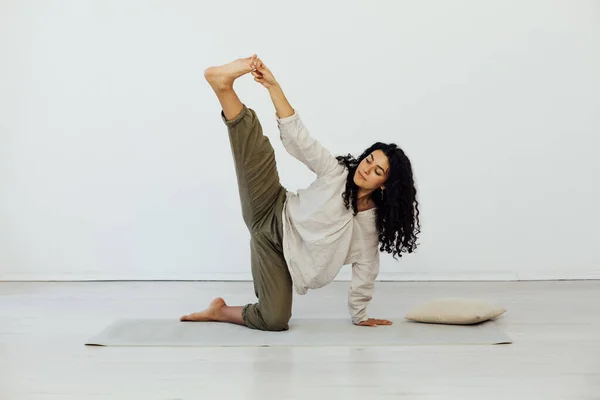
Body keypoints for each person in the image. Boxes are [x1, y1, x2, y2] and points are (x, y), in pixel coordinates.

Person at [180, 54, 421, 330]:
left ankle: (219, 311)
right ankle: (222, 85)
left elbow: (365, 271)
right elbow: (299, 140)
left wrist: (360, 315)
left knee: (275, 320)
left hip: (280, 256)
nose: (367, 169)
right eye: (369, 160)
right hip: (270, 207)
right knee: (258, 150)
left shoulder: (369, 226)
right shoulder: (337, 172)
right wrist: (273, 86)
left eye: (378, 171)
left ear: (385, 185)